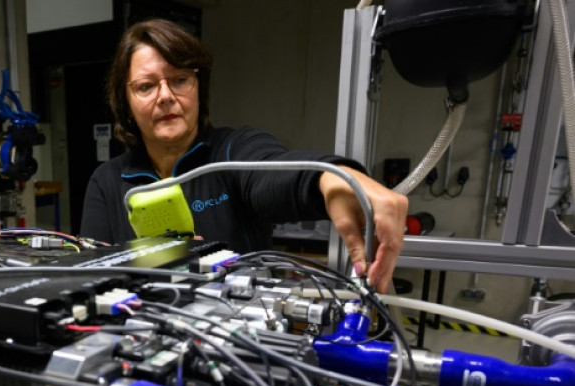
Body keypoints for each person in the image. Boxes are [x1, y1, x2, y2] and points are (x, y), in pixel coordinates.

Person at [80, 18, 408, 292]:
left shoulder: (234, 151)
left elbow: (273, 172)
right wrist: (150, 260)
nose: (165, 96)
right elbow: (89, 277)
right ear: (125, 101)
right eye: (146, 86)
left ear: (198, 88)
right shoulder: (108, 181)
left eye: (179, 80)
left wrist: (332, 178)